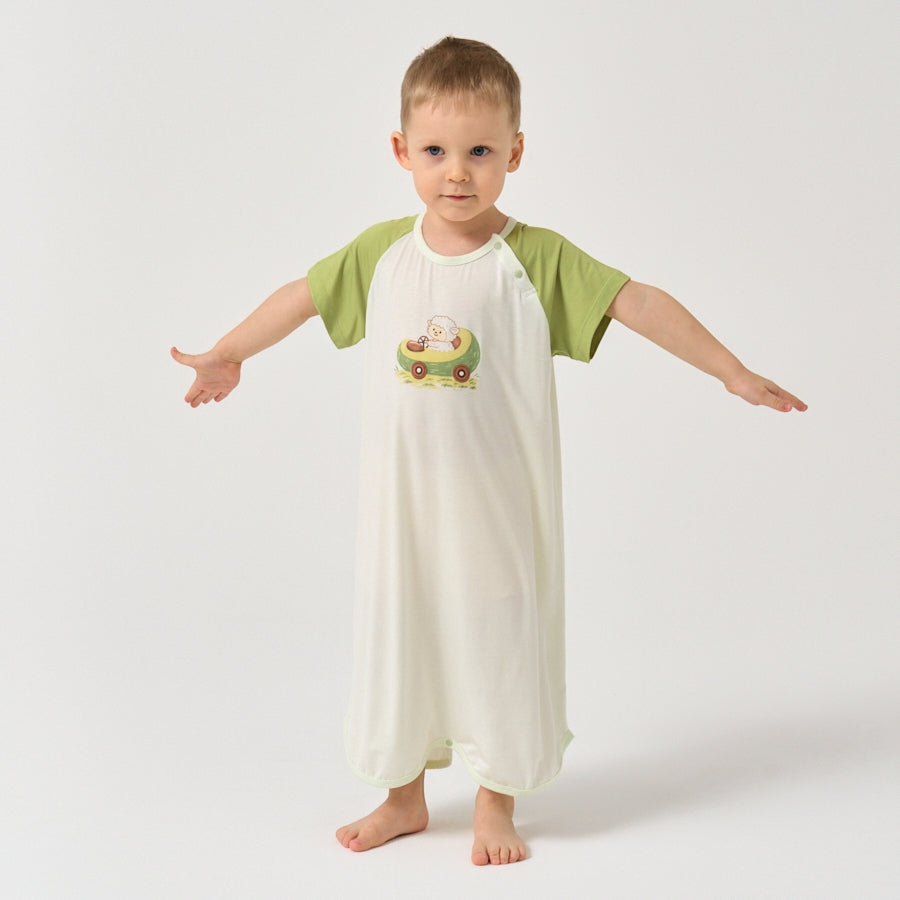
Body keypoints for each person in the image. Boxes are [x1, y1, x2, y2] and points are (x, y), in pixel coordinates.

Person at [171, 36, 806, 866]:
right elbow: (302, 296)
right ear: (402, 151)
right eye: (436, 151)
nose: (457, 172)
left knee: (499, 643)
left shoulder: (533, 260)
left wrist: (731, 370)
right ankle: (402, 798)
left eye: (479, 151)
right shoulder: (382, 254)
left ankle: (495, 799)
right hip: (402, 512)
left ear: (515, 151)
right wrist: (229, 352)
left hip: (497, 512)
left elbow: (639, 302)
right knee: (401, 640)